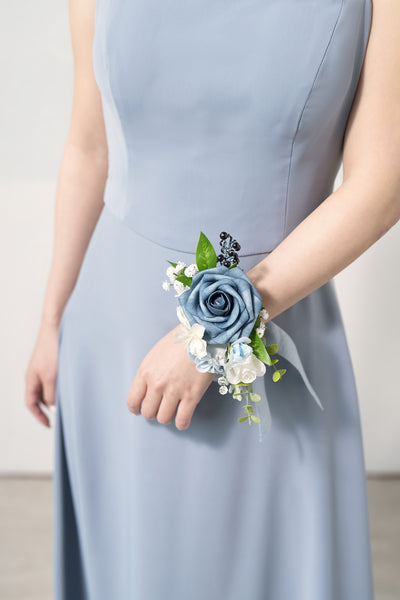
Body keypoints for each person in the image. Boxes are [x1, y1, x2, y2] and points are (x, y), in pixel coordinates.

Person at [25, 0, 399, 598]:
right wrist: (51, 320)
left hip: (274, 335)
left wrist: (215, 331)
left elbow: (384, 183)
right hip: (113, 335)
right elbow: (89, 147)